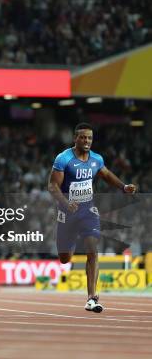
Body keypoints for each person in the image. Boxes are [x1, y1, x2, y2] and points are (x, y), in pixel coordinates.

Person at [48, 123, 136, 313]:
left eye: (89, 138)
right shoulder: (63, 159)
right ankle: (70, 243)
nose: (86, 141)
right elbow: (52, 186)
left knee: (93, 250)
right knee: (65, 258)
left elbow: (106, 174)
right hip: (67, 213)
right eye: (83, 137)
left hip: (88, 211)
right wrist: (65, 203)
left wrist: (123, 187)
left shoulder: (96, 159)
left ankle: (91, 298)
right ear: (75, 138)